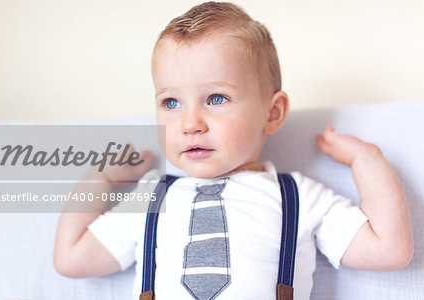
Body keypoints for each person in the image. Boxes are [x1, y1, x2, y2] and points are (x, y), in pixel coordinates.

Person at [53, 2, 413, 299]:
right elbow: (71, 258)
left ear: (272, 113)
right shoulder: (151, 198)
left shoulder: (297, 196)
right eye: (171, 102)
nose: (190, 122)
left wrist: (368, 162)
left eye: (216, 98)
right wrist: (103, 176)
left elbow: (389, 250)